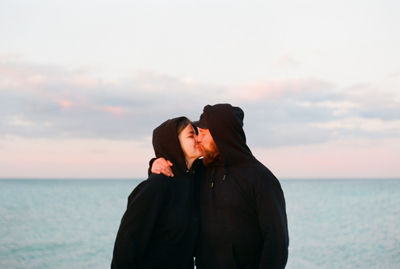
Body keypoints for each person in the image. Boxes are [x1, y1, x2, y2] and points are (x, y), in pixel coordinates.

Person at [151, 104, 289, 269]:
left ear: (221, 135)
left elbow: (277, 242)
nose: (198, 138)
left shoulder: (261, 178)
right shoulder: (200, 170)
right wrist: (155, 162)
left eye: (202, 133)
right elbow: (174, 177)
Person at [111, 117, 202, 269]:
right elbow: (126, 245)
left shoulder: (196, 178)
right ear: (174, 143)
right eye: (191, 135)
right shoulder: (158, 185)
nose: (198, 139)